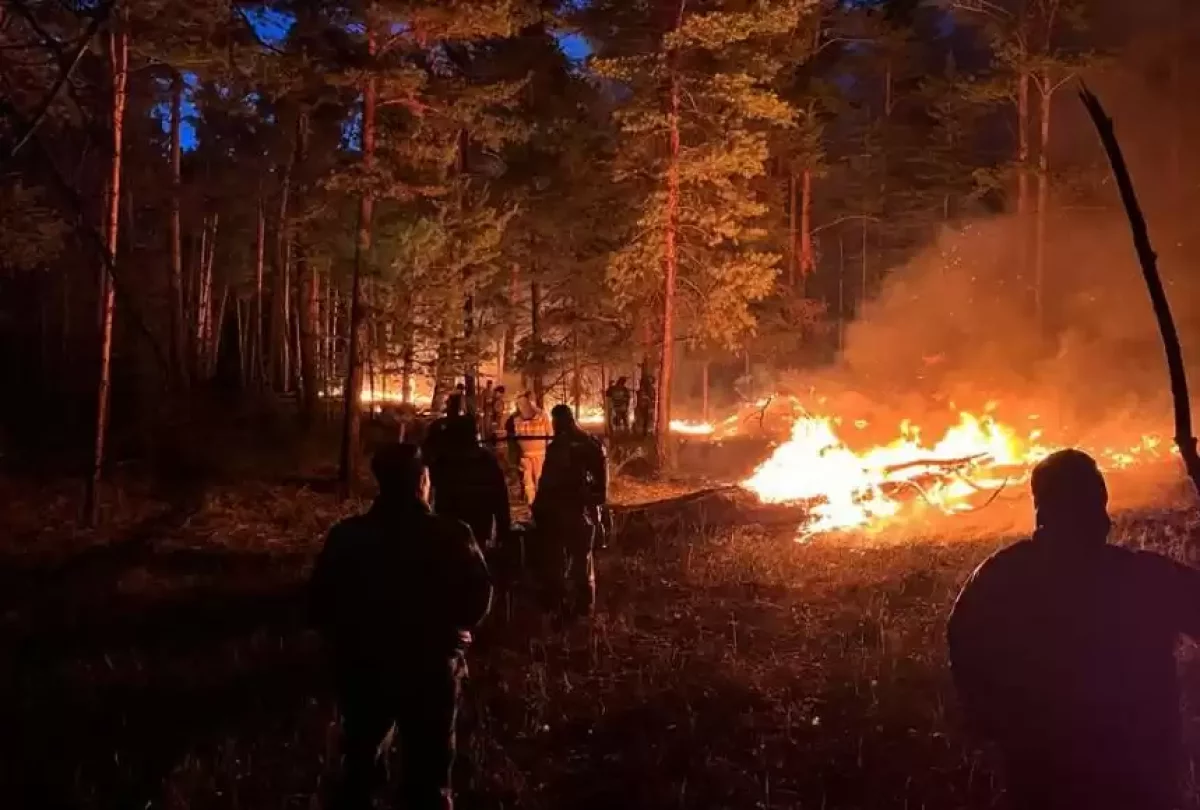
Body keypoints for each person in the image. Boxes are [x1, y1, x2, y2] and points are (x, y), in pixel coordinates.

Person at [948, 448, 1200, 810]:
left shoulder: (998, 578)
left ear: (1040, 509)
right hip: (1137, 776)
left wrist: (991, 722)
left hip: (1044, 775)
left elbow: (963, 648)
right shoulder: (1143, 577)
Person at [310, 444, 492, 810]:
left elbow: (319, 603)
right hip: (430, 669)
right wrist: (455, 630)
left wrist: (349, 640)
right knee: (428, 773)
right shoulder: (452, 534)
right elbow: (478, 596)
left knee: (360, 765)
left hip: (363, 669)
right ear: (422, 481)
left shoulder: (347, 536)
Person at [532, 405, 607, 619]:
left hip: (574, 514)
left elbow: (600, 491)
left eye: (555, 423)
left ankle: (574, 609)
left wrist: (585, 499)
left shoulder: (579, 447)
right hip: (567, 515)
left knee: (571, 563)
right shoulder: (575, 445)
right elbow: (546, 483)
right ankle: (572, 608)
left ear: (562, 421)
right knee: (570, 563)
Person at [428, 416, 512, 550]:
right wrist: (504, 527)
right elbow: (500, 495)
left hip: (458, 523)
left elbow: (499, 494)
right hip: (467, 522)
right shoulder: (485, 460)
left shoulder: (445, 461)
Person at [511, 392, 551, 505]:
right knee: (530, 482)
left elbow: (549, 435)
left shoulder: (542, 417)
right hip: (530, 456)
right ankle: (534, 504)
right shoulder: (518, 420)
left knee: (535, 480)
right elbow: (550, 434)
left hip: (536, 456)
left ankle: (537, 504)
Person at [635, 373, 655, 437]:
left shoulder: (649, 388)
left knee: (646, 419)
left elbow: (651, 396)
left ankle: (645, 431)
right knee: (644, 418)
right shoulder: (645, 388)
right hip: (644, 405)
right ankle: (643, 431)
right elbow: (644, 396)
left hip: (646, 405)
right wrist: (648, 398)